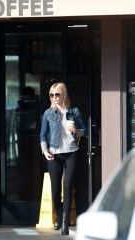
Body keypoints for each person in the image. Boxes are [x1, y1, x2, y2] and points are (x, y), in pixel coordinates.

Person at [40, 82, 87, 235]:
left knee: (67, 188)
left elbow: (84, 131)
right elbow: (42, 135)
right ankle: (58, 216)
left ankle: (65, 223)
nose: (54, 97)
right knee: (55, 191)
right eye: (52, 95)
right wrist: (45, 151)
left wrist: (77, 130)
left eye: (57, 94)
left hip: (71, 152)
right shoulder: (48, 113)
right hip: (53, 155)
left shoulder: (74, 111)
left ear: (63, 94)